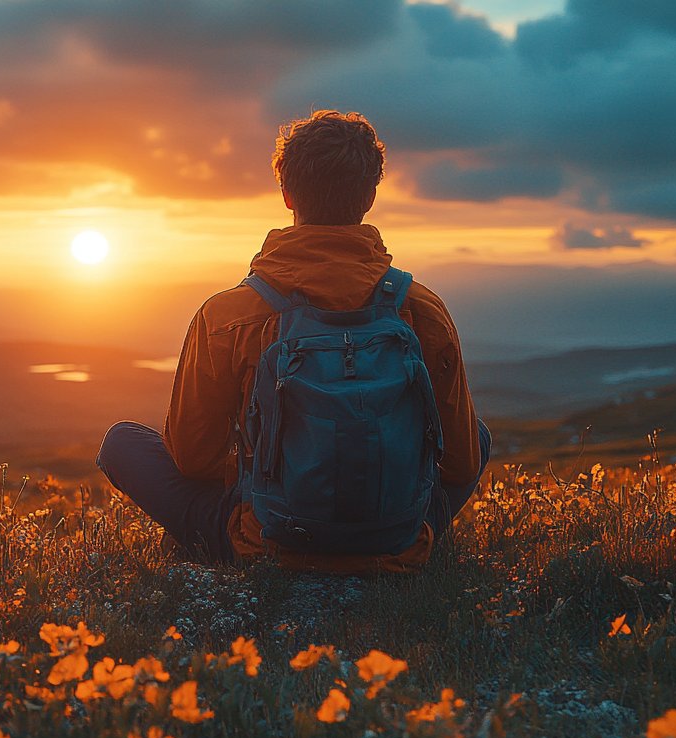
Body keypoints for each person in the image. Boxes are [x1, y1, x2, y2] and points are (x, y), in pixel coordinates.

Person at [95, 109, 490, 574]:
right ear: (371, 195)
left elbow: (193, 462)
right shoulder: (422, 309)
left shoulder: (228, 314)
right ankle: (380, 546)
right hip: (396, 544)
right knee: (478, 436)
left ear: (286, 194)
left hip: (265, 545)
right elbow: (461, 466)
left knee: (121, 442)